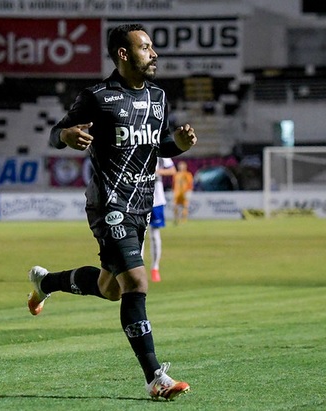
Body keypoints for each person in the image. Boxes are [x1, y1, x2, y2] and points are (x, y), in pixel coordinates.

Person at [27, 23, 197, 401]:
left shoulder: (158, 97)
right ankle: (156, 378)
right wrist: (67, 136)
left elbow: (158, 145)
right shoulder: (97, 97)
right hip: (109, 204)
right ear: (123, 54)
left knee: (110, 289)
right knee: (136, 284)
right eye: (146, 48)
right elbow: (57, 132)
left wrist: (179, 144)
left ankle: (46, 283)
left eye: (153, 48)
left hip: (141, 206)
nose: (154, 54)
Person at [148, 157, 176, 282]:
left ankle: (155, 268)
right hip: (137, 197)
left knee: (154, 234)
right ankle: (138, 268)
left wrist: (156, 172)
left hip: (156, 199)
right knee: (138, 235)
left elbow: (172, 170)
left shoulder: (159, 150)